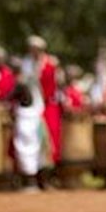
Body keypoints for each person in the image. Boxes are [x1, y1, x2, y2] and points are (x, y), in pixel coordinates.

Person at [22, 36, 61, 167]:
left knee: (49, 136)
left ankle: (47, 171)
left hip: (47, 105)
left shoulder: (50, 64)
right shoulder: (26, 64)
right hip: (31, 106)